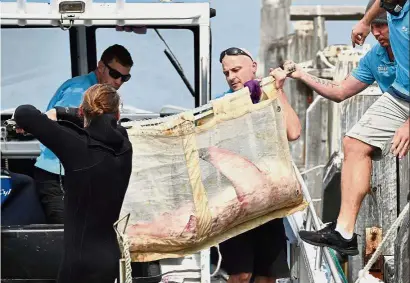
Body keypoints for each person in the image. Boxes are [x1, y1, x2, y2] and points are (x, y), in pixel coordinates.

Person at [297, 0, 409, 256]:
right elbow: (340, 92)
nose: (377, 31)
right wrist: (364, 22)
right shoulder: (381, 36)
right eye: (375, 25)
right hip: (401, 96)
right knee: (354, 143)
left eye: (381, 25)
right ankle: (344, 233)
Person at [14, 84, 133, 283]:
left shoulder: (77, 146)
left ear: (81, 111)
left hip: (78, 265)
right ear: (118, 114)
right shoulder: (124, 146)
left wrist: (58, 112)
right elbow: (106, 124)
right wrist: (82, 114)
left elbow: (24, 113)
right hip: (109, 260)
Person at [210, 47, 301, 283]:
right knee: (240, 275)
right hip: (236, 199)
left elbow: (293, 131)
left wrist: (277, 90)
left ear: (253, 67)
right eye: (226, 72)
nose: (231, 77)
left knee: (267, 276)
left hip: (269, 197)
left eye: (236, 70)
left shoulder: (269, 94)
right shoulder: (221, 103)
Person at [34, 44, 133, 224]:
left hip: (74, 176)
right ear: (101, 67)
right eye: (115, 75)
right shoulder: (80, 92)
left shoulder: (97, 92)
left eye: (125, 77)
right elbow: (62, 127)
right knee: (65, 235)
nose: (119, 82)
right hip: (59, 177)